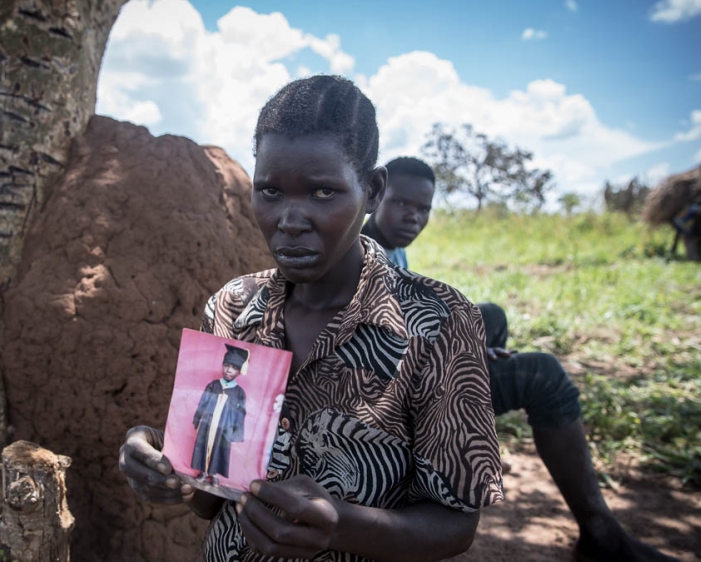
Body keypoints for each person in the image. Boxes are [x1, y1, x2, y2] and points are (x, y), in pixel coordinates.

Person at [119, 75, 503, 562]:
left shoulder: (439, 323)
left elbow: (456, 526)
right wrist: (161, 463)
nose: (290, 219)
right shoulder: (233, 307)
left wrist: (342, 526)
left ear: (373, 188)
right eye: (271, 191)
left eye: (323, 193)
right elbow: (210, 498)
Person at [364, 156, 677, 562]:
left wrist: (469, 344)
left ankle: (467, 443)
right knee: (542, 375)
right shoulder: (366, 256)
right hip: (391, 399)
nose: (414, 217)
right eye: (403, 204)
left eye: (423, 208)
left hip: (415, 371)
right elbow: (381, 355)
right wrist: (464, 357)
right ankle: (600, 534)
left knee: (488, 316)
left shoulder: (390, 248)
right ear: (375, 195)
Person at [191, 344, 249, 484]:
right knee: (205, 445)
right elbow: (202, 403)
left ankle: (215, 474)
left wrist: (236, 433)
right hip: (208, 424)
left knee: (219, 448)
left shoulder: (239, 392)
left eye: (234, 368)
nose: (229, 370)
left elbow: (241, 414)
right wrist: (197, 419)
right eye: (227, 365)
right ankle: (204, 472)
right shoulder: (213, 385)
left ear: (239, 371)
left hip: (225, 428)